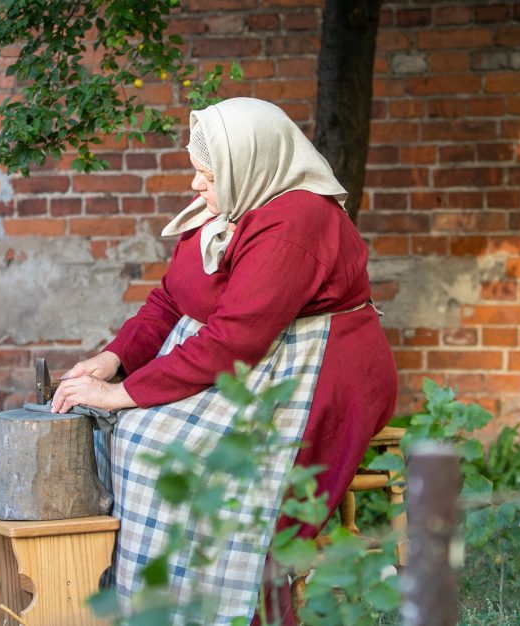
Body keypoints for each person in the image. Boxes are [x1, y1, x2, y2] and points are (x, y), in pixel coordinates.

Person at [51, 97, 397, 625]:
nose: (195, 186)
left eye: (205, 174)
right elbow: (172, 298)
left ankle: (214, 609)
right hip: (248, 355)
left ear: (248, 164)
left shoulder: (295, 219)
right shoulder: (230, 206)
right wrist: (114, 358)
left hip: (313, 368)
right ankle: (130, 603)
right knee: (117, 430)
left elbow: (236, 338)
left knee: (159, 446)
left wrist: (124, 394)